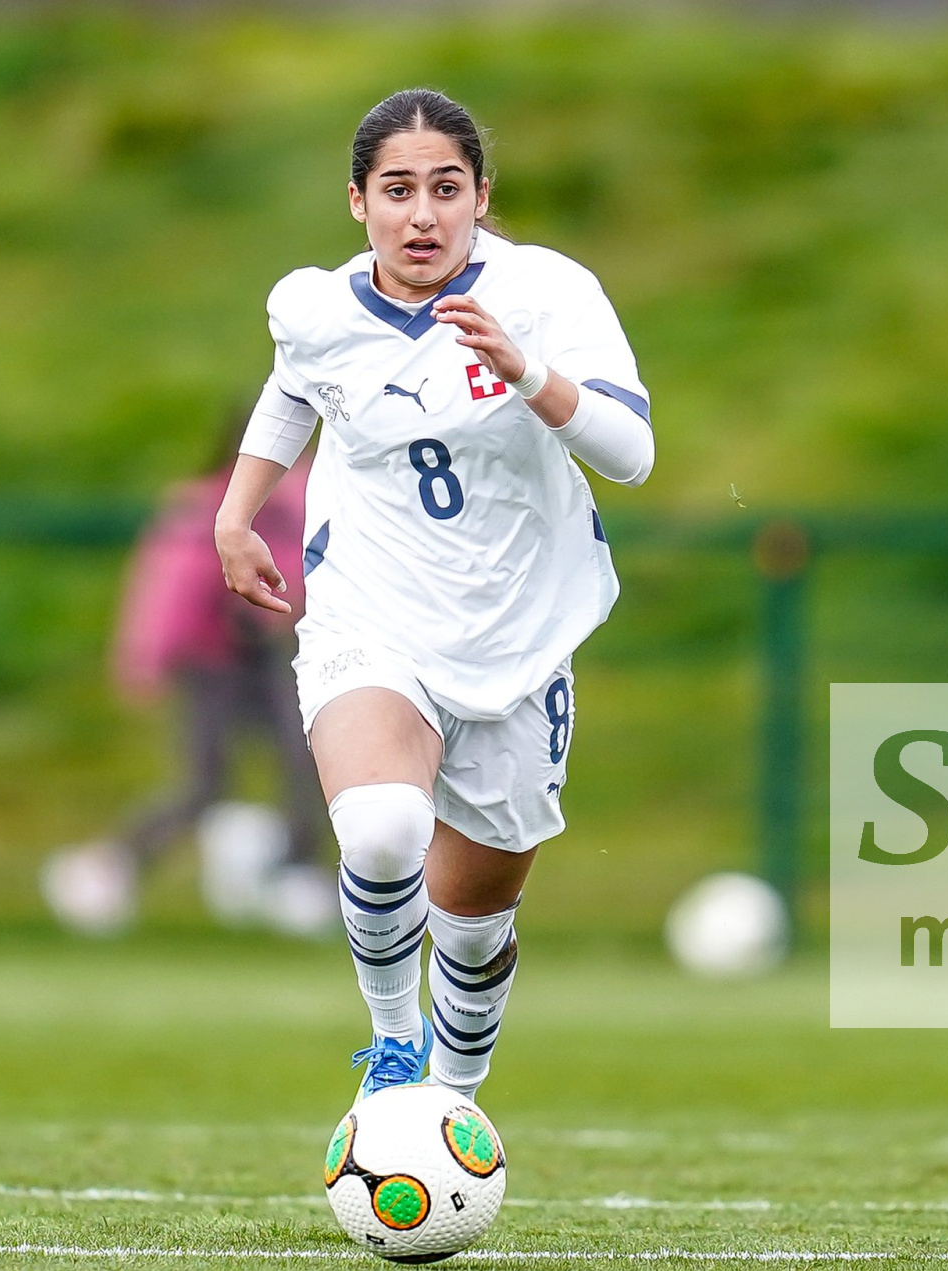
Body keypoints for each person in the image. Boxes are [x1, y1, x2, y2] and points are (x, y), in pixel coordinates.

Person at [212, 88, 653, 1102]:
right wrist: (237, 513)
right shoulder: (317, 306)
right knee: (379, 828)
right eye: (398, 190)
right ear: (357, 202)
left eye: (446, 189)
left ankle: (451, 1101)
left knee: (473, 926)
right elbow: (297, 382)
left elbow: (631, 452)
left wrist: (528, 372)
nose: (423, 215)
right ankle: (393, 1052)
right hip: (371, 608)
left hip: (520, 630)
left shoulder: (546, 294)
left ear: (481, 198)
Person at [42, 446, 334, 937]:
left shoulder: (309, 497)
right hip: (212, 662)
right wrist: (145, 660)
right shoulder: (203, 507)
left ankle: (296, 874)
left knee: (311, 762)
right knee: (204, 783)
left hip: (281, 658)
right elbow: (169, 590)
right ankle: (111, 864)